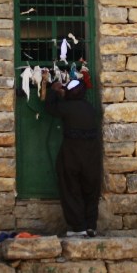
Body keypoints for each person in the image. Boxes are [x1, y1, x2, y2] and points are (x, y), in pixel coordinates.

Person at [44, 78, 102, 237]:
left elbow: (50, 108)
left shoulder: (66, 107)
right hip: (91, 155)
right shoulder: (90, 108)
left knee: (71, 188)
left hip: (72, 155)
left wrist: (53, 91)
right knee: (90, 190)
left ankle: (78, 226)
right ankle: (91, 225)